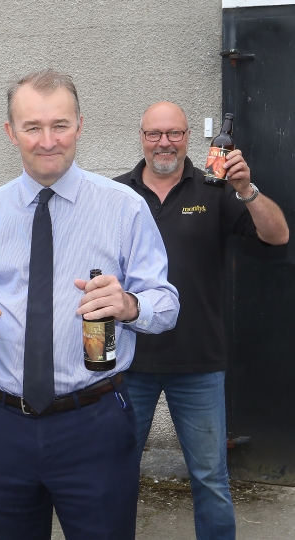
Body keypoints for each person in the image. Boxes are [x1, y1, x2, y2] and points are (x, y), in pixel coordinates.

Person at [0, 69, 180, 540]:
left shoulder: (124, 207)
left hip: (93, 424)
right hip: (2, 426)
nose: (47, 140)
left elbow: (166, 303)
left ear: (80, 125)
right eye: (32, 127)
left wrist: (131, 305)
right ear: (11, 133)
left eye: (60, 125)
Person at [114, 101, 288, 540]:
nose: (164, 142)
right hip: (129, 362)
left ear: (189, 136)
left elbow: (278, 236)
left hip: (199, 364)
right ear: (141, 137)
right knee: (114, 474)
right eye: (154, 134)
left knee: (210, 479)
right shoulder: (116, 194)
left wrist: (246, 190)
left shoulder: (216, 189)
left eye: (174, 133)